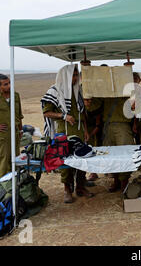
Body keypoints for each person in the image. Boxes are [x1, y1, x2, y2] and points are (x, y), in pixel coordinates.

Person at [41, 64, 93, 203]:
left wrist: (86, 131)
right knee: (66, 162)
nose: (75, 79)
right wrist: (63, 116)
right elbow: (46, 112)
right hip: (64, 133)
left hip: (79, 132)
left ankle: (80, 187)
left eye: (77, 76)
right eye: (73, 76)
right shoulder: (55, 91)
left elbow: (82, 113)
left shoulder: (78, 90)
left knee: (82, 160)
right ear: (65, 76)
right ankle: (67, 190)